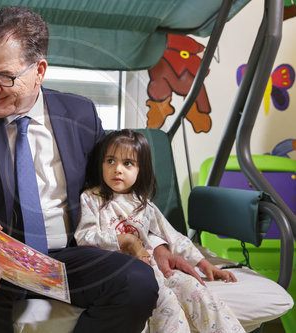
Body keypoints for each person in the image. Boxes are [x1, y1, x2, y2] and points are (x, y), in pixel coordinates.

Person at [0, 6, 158, 333]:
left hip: (70, 256)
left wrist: (159, 243)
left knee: (138, 282)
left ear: (39, 70)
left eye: (4, 76)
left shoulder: (81, 114)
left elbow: (117, 189)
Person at [75, 129, 245, 333]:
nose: (117, 169)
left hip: (156, 268)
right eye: (110, 161)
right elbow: (84, 237)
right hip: (127, 273)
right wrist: (124, 239)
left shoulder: (144, 205)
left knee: (198, 291)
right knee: (168, 304)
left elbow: (173, 237)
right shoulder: (92, 198)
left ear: (141, 170)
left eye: (127, 163)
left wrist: (204, 263)